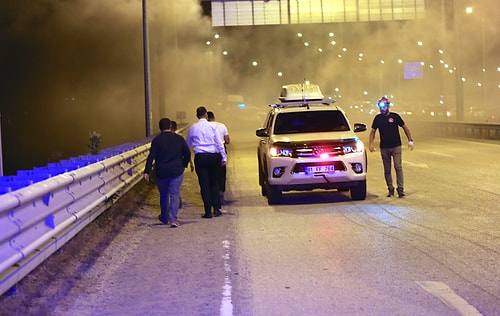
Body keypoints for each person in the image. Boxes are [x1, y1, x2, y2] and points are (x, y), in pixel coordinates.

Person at [144, 118, 191, 227]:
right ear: (170, 126)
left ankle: (164, 217)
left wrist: (147, 171)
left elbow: (151, 157)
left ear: (160, 127)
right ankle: (173, 219)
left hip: (161, 172)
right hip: (176, 171)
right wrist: (184, 164)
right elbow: (187, 153)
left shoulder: (157, 140)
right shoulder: (178, 139)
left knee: (164, 195)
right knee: (175, 195)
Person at [369, 97, 414, 198]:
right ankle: (390, 189)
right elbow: (373, 132)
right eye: (380, 106)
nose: (382, 109)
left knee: (398, 167)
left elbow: (405, 127)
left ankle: (400, 189)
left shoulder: (395, 116)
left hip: (396, 146)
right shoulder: (378, 118)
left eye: (384, 106)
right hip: (384, 148)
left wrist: (410, 139)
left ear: (388, 106)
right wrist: (371, 144)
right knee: (387, 169)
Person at [186, 106, 227, 218]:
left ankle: (208, 211)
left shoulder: (193, 128)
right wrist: (224, 157)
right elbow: (219, 143)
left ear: (197, 115)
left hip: (200, 157)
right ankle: (217, 209)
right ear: (206, 115)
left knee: (204, 185)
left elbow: (188, 145)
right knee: (214, 183)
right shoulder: (213, 126)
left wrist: (186, 159)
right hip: (214, 157)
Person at [207, 111, 230, 204]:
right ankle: (220, 193)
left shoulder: (205, 128)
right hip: (220, 152)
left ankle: (211, 195)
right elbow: (227, 140)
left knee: (210, 174)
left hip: (208, 152)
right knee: (221, 174)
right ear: (214, 117)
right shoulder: (222, 126)